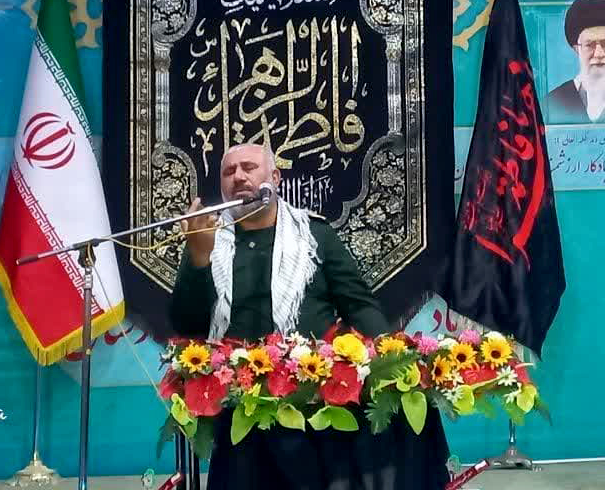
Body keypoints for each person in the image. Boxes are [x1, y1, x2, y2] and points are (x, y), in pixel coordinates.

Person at [169, 143, 451, 490]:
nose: (239, 177)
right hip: (240, 401)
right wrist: (199, 258)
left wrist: (392, 356)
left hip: (312, 396)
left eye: (249, 167)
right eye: (229, 171)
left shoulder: (314, 234)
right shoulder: (206, 240)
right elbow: (187, 326)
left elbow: (357, 304)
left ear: (275, 178)